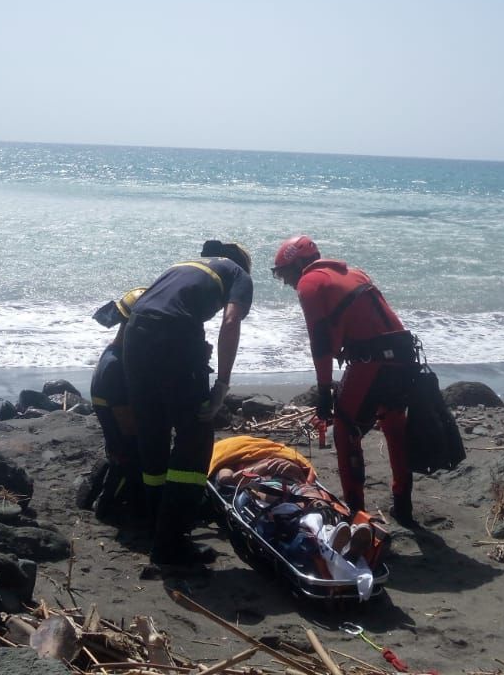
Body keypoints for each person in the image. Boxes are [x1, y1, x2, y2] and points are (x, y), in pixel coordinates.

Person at [270, 235, 419, 526]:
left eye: (285, 273)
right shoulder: (354, 272)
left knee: (345, 430)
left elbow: (321, 342)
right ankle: (403, 505)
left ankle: (355, 514)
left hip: (371, 360)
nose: (286, 281)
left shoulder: (309, 283)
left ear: (299, 264)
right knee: (394, 426)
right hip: (403, 355)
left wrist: (325, 390)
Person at [122, 238, 254, 567]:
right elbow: (230, 321)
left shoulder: (180, 267)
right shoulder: (240, 274)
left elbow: (150, 305)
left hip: (134, 338)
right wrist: (222, 383)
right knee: (195, 439)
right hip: (173, 338)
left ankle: (155, 523)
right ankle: (171, 545)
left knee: (153, 431)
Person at [85, 286, 147, 521]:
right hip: (128, 453)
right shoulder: (116, 368)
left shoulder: (114, 356)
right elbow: (128, 426)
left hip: (118, 449)